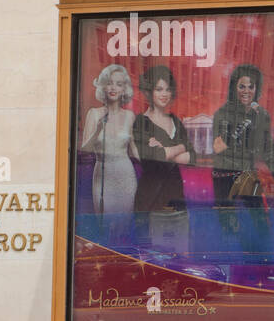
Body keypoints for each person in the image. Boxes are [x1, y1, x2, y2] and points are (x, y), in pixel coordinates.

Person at [78, 64, 138, 236]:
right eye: (110, 83)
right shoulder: (94, 114)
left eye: (119, 84)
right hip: (103, 176)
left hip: (126, 175)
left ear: (124, 89)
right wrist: (97, 129)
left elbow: (134, 152)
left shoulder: (129, 116)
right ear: (103, 86)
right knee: (106, 227)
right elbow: (85, 150)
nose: (113, 88)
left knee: (124, 228)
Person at [212, 63, 274, 204]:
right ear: (234, 88)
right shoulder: (223, 113)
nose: (247, 91)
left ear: (256, 89)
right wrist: (245, 120)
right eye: (242, 86)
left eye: (251, 87)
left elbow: (268, 148)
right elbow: (219, 147)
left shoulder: (261, 114)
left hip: (251, 181)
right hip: (226, 178)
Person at [132, 65, 194, 216]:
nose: (164, 94)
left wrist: (166, 151)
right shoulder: (141, 122)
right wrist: (180, 148)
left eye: (168, 89)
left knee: (177, 237)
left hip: (176, 195)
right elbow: (152, 158)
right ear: (149, 92)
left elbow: (192, 157)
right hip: (151, 195)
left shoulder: (176, 121)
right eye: (159, 89)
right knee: (148, 238)